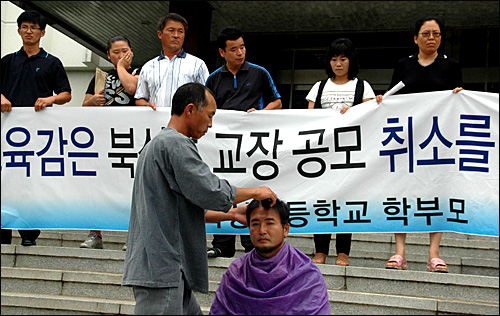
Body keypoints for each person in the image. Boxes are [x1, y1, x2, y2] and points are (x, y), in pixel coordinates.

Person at [121, 82, 278, 315]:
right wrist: (255, 192)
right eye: (210, 115)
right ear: (191, 110)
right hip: (163, 268)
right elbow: (209, 190)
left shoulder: (160, 144)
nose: (211, 124)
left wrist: (233, 213)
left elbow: (183, 209)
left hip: (168, 268)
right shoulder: (175, 143)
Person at [376, 16, 464, 273]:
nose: (431, 38)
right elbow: (392, 97)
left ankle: (434, 254)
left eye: (436, 34)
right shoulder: (404, 65)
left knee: (436, 192)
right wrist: (383, 99)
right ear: (416, 38)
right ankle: (400, 251)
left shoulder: (452, 66)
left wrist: (460, 96)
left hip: (438, 142)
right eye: (426, 34)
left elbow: (458, 103)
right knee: (402, 191)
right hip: (406, 140)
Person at [205, 26, 282, 258]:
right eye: (234, 49)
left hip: (252, 146)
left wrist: (261, 113)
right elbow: (207, 108)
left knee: (251, 188)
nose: (240, 52)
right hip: (222, 146)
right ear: (222, 52)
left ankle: (252, 243)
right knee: (224, 189)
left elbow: (276, 102)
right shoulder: (213, 78)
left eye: (242, 47)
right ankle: (222, 244)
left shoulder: (259, 73)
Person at [1, 10, 72, 246]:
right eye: (24, 27)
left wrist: (49, 100)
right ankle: (3, 232)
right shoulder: (8, 61)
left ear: (42, 32)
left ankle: (29, 232)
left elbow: (66, 94)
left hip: (38, 133)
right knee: (5, 180)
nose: (28, 31)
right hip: (7, 132)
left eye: (33, 27)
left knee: (30, 181)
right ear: (18, 29)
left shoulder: (51, 62)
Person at [305, 38, 375, 265]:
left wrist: (354, 111)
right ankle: (320, 249)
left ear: (350, 61)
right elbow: (308, 120)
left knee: (347, 199)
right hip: (324, 154)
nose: (338, 64)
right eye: (334, 59)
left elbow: (371, 115)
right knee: (322, 199)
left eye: (343, 59)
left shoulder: (362, 86)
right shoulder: (319, 86)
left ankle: (343, 251)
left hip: (350, 153)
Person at [209, 198, 331, 315]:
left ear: (286, 229)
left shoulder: (307, 275)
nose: (262, 231)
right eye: (255, 224)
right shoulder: (236, 273)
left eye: (269, 223)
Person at [80, 35, 141, 250]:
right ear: (107, 55)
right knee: (98, 185)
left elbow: (133, 90)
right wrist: (91, 101)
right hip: (103, 139)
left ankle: (132, 235)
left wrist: (122, 67)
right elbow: (84, 104)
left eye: (124, 50)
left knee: (132, 187)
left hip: (129, 141)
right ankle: (94, 233)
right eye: (115, 52)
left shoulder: (139, 73)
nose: (121, 55)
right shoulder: (100, 76)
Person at [134, 13, 209, 110]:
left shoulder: (197, 65)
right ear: (160, 34)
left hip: (187, 122)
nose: (176, 35)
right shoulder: (148, 66)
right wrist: (147, 106)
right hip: (155, 122)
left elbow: (207, 97)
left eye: (180, 31)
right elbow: (140, 98)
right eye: (171, 30)